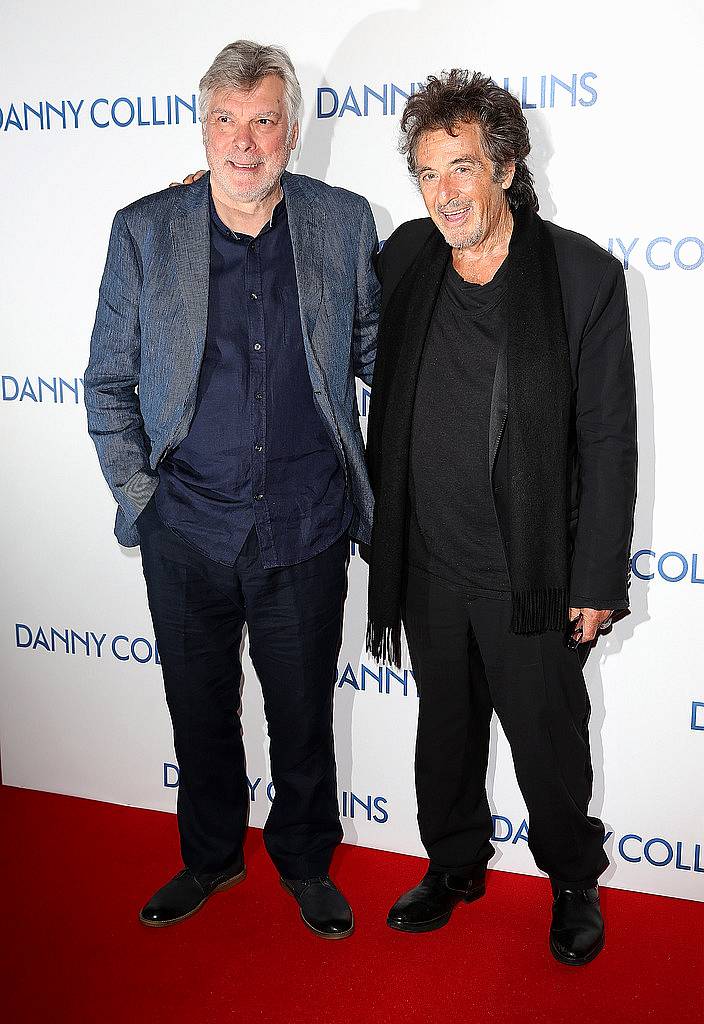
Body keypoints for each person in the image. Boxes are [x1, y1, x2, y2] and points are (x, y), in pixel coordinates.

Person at [84, 39, 379, 939]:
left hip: (307, 525)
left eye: (261, 120)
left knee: (303, 719)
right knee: (198, 713)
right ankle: (209, 859)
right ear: (202, 127)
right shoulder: (144, 229)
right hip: (187, 532)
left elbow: (375, 355)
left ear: (292, 129)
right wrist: (143, 494)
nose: (243, 142)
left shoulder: (343, 222)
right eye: (225, 120)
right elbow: (107, 384)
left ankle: (303, 862)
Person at [365, 70, 636, 965]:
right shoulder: (404, 258)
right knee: (442, 731)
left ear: (507, 167)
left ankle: (570, 881)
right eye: (427, 173)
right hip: (428, 559)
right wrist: (203, 205)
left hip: (531, 574)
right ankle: (453, 865)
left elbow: (607, 440)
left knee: (548, 747)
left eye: (462, 168)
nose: (444, 193)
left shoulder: (582, 277)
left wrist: (596, 577)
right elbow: (313, 281)